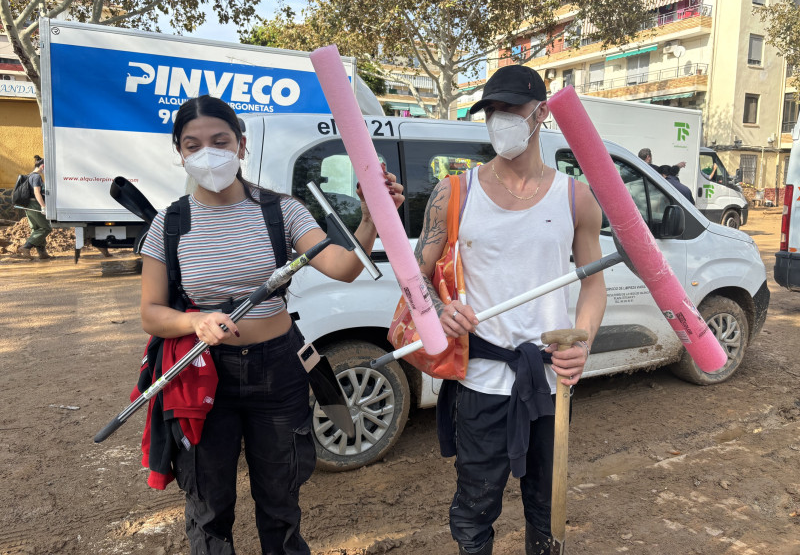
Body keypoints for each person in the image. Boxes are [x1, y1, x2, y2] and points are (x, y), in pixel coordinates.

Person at [138, 95, 404, 554]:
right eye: (193, 144)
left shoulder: (281, 210)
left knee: (280, 500)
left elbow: (343, 266)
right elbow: (152, 313)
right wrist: (195, 320)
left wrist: (372, 216)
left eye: (220, 141)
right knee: (207, 503)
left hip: (277, 369)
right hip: (204, 374)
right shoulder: (169, 223)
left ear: (241, 145)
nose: (208, 153)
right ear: (179, 151)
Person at [414, 65, 607, 555]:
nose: (499, 120)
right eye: (491, 111)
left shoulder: (576, 196)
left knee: (548, 511)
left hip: (549, 382)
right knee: (475, 511)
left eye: (510, 110)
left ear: (541, 113)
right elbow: (415, 275)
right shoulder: (455, 192)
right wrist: (439, 308)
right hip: (480, 381)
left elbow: (593, 286)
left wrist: (581, 341)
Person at [18, 155, 52, 259]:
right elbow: (37, 192)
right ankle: (26, 247)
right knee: (46, 228)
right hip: (35, 204)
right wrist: (43, 206)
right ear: (43, 166)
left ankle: (42, 253)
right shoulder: (36, 177)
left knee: (36, 228)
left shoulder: (29, 175)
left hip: (28, 204)